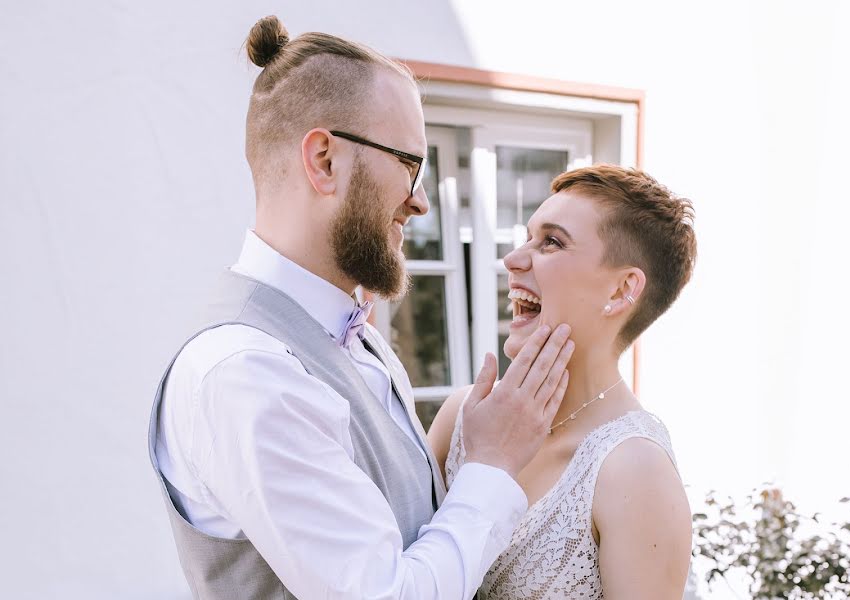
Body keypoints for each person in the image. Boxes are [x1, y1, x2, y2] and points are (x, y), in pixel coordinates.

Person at [147, 16, 573, 600]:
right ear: (324, 160)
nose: (420, 201)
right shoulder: (246, 369)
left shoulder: (355, 337)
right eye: (411, 163)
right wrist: (493, 466)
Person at [429, 164, 697, 599]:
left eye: (551, 242)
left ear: (620, 291)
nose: (513, 260)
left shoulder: (634, 472)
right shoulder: (461, 418)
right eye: (527, 237)